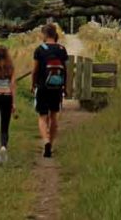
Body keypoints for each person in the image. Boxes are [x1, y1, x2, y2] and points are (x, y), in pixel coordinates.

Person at [32, 24, 69, 158]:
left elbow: (35, 71)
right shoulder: (61, 49)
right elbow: (65, 70)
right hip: (57, 88)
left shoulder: (39, 50)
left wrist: (33, 85)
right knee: (53, 116)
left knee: (42, 117)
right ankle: (51, 145)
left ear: (45, 35)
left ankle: (46, 141)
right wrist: (65, 87)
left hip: (42, 87)